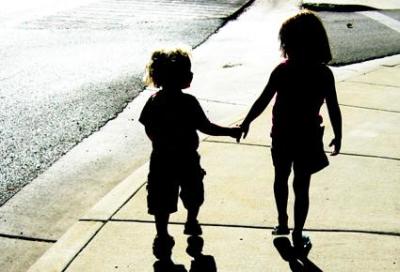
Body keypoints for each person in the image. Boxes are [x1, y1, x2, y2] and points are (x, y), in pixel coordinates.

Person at [239, 10, 342, 249]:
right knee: (302, 184)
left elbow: (262, 100)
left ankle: (282, 222)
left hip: (282, 135)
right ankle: (297, 231)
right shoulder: (323, 74)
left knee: (280, 178)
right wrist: (338, 134)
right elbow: (333, 107)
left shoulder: (283, 71)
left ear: (289, 44)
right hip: (308, 137)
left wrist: (247, 121)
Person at [140, 45, 240, 255]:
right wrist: (230, 132)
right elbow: (206, 127)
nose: (191, 74)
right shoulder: (188, 102)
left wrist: (161, 142)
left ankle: (162, 234)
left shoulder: (154, 101)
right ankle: (191, 220)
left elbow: (148, 127)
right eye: (188, 71)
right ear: (178, 77)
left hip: (161, 159)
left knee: (161, 200)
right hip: (186, 158)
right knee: (193, 192)